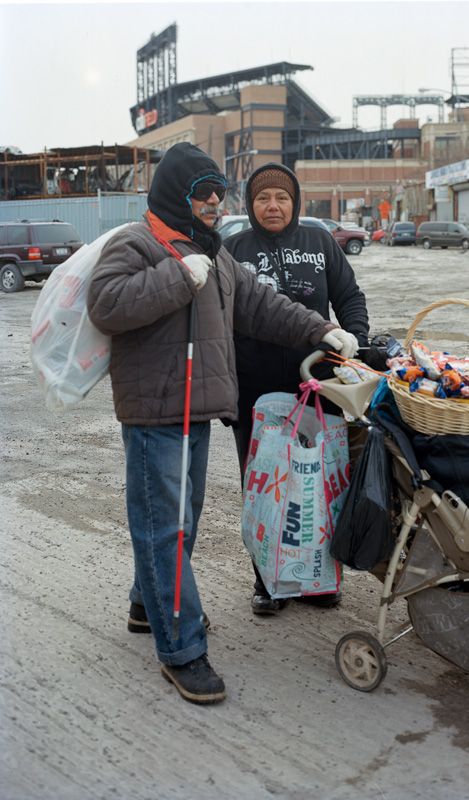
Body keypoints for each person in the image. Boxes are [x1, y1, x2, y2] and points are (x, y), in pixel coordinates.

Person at [86, 143, 357, 705]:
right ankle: (181, 650)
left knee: (178, 518)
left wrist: (320, 331)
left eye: (217, 192)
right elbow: (106, 304)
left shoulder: (213, 253)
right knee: (165, 526)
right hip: (154, 412)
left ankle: (146, 605)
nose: (212, 202)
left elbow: (261, 305)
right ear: (173, 195)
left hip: (198, 408)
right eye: (200, 192)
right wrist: (175, 279)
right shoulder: (136, 243)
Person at [222, 162, 370, 616]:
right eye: (263, 198)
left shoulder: (320, 241)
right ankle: (268, 580)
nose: (272, 206)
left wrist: (354, 344)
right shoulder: (232, 250)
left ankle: (319, 579)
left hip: (318, 385)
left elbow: (348, 296)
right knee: (265, 485)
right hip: (256, 391)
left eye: (281, 198)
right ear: (250, 204)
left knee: (323, 483)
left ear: (295, 202)